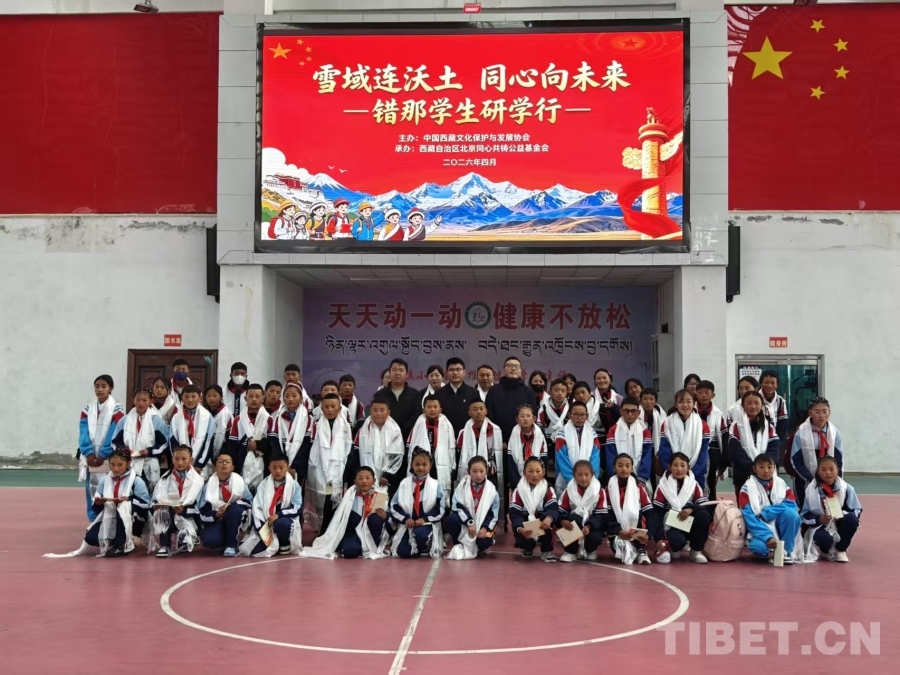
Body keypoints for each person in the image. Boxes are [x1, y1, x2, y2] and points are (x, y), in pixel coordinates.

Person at [47, 447, 151, 558]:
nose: (115, 468)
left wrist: (128, 500)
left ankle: (122, 544)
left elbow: (146, 505)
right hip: (110, 515)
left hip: (134, 518)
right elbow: (96, 509)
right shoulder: (104, 480)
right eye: (112, 464)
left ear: (128, 463)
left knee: (123, 508)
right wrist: (98, 503)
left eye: (120, 465)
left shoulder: (136, 481)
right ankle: (115, 539)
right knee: (91, 538)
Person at [302, 466, 390, 559]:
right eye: (360, 478)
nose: (364, 481)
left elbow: (390, 519)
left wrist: (385, 516)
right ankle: (357, 546)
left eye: (368, 478)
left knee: (374, 519)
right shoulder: (349, 497)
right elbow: (342, 518)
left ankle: (371, 546)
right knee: (349, 551)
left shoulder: (380, 496)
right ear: (355, 481)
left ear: (374, 480)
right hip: (354, 532)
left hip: (372, 534)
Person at [78, 375, 125, 521]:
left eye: (104, 386)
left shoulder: (117, 410)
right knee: (91, 488)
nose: (99, 389)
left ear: (111, 389)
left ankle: (110, 520)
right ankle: (94, 520)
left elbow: (114, 432)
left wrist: (104, 453)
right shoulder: (87, 410)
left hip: (109, 458)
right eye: (97, 386)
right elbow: (84, 432)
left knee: (110, 488)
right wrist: (88, 452)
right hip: (91, 458)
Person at [739, 454, 801, 564]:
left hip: (780, 524)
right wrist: (767, 537)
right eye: (761, 467)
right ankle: (770, 552)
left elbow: (792, 505)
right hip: (759, 528)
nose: (766, 470)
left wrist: (769, 512)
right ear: (754, 469)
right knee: (759, 548)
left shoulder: (781, 484)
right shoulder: (746, 489)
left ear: (774, 467)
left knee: (792, 515)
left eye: (769, 467)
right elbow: (748, 517)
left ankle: (785, 552)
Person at [240, 451, 303, 556]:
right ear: (269, 468)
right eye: (274, 468)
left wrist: (278, 515)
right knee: (254, 550)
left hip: (284, 520)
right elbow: (257, 508)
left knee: (282, 524)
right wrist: (262, 529)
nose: (278, 471)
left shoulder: (294, 485)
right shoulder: (263, 485)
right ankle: (270, 541)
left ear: (288, 468)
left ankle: (284, 543)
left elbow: (297, 508)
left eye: (281, 467)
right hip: (267, 523)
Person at [799, 456, 861, 563]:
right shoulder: (810, 490)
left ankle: (841, 550)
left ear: (837, 470)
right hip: (820, 525)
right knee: (824, 538)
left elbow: (857, 510)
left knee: (851, 519)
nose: (827, 473)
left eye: (831, 469)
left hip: (840, 522)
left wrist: (841, 514)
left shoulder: (847, 488)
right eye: (823, 469)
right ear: (818, 471)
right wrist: (819, 519)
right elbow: (804, 515)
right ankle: (825, 550)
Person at [653, 452, 713, 564]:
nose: (679, 469)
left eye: (682, 465)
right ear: (669, 467)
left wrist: (692, 509)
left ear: (688, 467)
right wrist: (659, 538)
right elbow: (657, 514)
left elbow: (705, 506)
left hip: (689, 521)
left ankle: (696, 551)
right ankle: (673, 546)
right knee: (677, 542)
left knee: (703, 515)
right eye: (675, 465)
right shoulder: (662, 487)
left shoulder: (693, 485)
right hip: (671, 523)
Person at [305, 393, 353, 534]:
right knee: (323, 502)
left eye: (333, 406)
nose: (330, 410)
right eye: (326, 407)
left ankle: (334, 532)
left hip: (339, 470)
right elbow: (310, 449)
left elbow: (348, 450)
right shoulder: (316, 426)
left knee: (335, 503)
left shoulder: (346, 427)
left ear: (339, 408)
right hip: (320, 470)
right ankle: (323, 530)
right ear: (321, 408)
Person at [148, 445, 203, 558]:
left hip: (189, 515)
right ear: (172, 459)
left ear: (191, 460)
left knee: (184, 543)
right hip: (169, 513)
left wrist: (183, 511)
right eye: (176, 459)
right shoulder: (165, 478)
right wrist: (155, 506)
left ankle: (190, 536)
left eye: (184, 459)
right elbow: (155, 498)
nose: (180, 462)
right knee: (163, 511)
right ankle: (164, 545)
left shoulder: (198, 480)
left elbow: (200, 507)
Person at [111, 388, 169, 492]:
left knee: (148, 492)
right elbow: (115, 442)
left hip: (149, 462)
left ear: (151, 401)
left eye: (145, 400)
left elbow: (164, 444)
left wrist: (149, 451)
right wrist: (124, 451)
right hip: (128, 462)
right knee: (129, 492)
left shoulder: (156, 420)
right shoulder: (125, 420)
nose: (141, 403)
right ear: (133, 400)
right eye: (138, 400)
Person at [390, 449, 445, 559]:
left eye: (424, 465)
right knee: (403, 553)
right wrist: (406, 519)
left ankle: (425, 546)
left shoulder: (435, 485)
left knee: (420, 534)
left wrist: (425, 519)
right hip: (408, 524)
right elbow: (394, 506)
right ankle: (414, 546)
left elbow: (441, 508)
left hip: (427, 523)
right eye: (417, 464)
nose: (421, 468)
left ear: (430, 466)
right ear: (412, 465)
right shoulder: (404, 483)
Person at [725, 391, 780, 499]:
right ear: (743, 405)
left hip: (766, 472)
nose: (753, 406)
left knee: (768, 502)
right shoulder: (736, 426)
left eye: (756, 403)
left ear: (762, 405)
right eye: (749, 403)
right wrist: (752, 467)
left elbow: (774, 447)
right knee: (744, 503)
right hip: (743, 471)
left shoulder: (768, 426)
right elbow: (734, 449)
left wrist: (764, 466)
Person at [790, 397, 843, 507]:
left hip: (828, 477)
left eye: (824, 411)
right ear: (810, 413)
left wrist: (835, 478)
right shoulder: (801, 433)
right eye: (817, 412)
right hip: (804, 478)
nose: (821, 415)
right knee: (805, 508)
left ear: (829, 412)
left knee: (830, 509)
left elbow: (838, 459)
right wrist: (811, 479)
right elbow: (796, 460)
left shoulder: (835, 433)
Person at [197, 453, 252, 557]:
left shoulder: (240, 483)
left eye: (227, 462)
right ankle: (224, 539)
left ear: (232, 467)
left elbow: (250, 502)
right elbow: (202, 511)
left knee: (234, 510)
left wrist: (230, 506)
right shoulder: (207, 487)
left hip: (237, 515)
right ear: (214, 467)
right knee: (209, 540)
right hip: (218, 518)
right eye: (221, 462)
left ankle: (232, 545)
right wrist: (216, 514)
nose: (224, 464)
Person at [446, 457, 500, 560]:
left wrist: (485, 528)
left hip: (482, 525)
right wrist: (470, 522)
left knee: (484, 542)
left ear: (486, 471)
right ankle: (459, 543)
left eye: (481, 471)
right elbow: (456, 505)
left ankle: (480, 547)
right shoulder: (462, 486)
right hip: (466, 522)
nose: (478, 475)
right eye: (474, 471)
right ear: (468, 471)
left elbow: (493, 515)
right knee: (452, 518)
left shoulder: (492, 491)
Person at [606, 453, 654, 565]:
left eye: (627, 466)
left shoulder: (638, 488)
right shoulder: (608, 488)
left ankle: (641, 549)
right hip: (618, 531)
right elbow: (606, 516)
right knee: (622, 553)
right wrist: (618, 531)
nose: (624, 469)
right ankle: (620, 544)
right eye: (620, 465)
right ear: (614, 468)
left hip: (636, 528)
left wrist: (649, 534)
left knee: (638, 515)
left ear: (632, 468)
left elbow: (650, 513)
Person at [509, 456, 559, 562]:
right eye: (530, 471)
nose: (534, 475)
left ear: (543, 472)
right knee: (523, 539)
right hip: (525, 523)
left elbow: (553, 508)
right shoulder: (518, 491)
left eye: (538, 471)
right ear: (524, 473)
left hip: (542, 522)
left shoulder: (548, 489)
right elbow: (515, 513)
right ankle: (527, 548)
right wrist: (520, 528)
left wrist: (549, 518)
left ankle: (547, 551)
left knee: (548, 524)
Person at [658, 389, 710, 489]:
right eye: (681, 402)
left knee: (696, 496)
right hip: (673, 473)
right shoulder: (667, 423)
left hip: (696, 473)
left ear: (694, 403)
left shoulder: (702, 425)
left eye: (688, 401)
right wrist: (673, 470)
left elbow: (703, 452)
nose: (685, 405)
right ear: (675, 404)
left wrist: (693, 471)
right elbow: (664, 451)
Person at [408, 395, 456, 503]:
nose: (432, 409)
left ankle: (440, 510)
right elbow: (410, 447)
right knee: (423, 494)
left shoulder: (447, 425)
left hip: (441, 463)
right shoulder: (418, 424)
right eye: (429, 407)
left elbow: (452, 448)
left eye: (435, 407)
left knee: (439, 493)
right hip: (423, 464)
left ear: (440, 409)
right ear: (423, 409)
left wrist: (452, 466)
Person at [350, 395, 404, 490]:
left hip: (387, 478)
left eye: (382, 410)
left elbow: (397, 455)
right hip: (365, 478)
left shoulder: (395, 431)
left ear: (388, 412)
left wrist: (387, 475)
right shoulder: (363, 430)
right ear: (370, 411)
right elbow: (356, 453)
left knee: (383, 498)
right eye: (375, 410)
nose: (378, 413)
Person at [558, 460, 607, 563]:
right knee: (574, 519)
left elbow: (601, 515)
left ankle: (590, 550)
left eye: (586, 474)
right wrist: (563, 520)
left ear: (592, 474)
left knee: (595, 536)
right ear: (574, 475)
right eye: (579, 475)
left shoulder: (599, 491)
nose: (583, 478)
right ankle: (570, 552)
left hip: (592, 525)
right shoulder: (569, 491)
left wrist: (589, 526)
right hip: (574, 523)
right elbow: (561, 511)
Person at [225, 383, 271, 491]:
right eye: (250, 396)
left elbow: (271, 445)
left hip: (262, 463)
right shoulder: (238, 420)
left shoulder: (269, 419)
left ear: (263, 398)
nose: (254, 399)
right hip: (242, 462)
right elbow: (232, 445)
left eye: (257, 396)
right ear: (245, 398)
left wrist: (258, 445)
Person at [554, 401, 601, 498]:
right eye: (576, 414)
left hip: (587, 479)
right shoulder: (562, 434)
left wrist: (590, 478)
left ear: (587, 416)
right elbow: (562, 458)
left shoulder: (592, 434)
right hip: (566, 479)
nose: (579, 418)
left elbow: (595, 457)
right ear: (569, 415)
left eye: (582, 415)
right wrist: (573, 480)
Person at [485, 356, 537, 444]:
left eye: (516, 366)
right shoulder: (493, 391)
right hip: (497, 439)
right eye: (509, 365)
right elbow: (489, 415)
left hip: (522, 440)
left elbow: (532, 415)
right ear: (504, 369)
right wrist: (499, 439)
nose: (513, 369)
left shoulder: (528, 391)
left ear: (521, 371)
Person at [266, 382, 311, 481]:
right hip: (281, 466)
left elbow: (306, 445)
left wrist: (294, 466)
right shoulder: (278, 418)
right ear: (283, 398)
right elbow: (275, 443)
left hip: (300, 465)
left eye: (294, 396)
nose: (290, 399)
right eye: (287, 396)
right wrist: (283, 465)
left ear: (301, 398)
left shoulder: (308, 418)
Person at [169, 384, 215, 476]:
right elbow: (172, 441)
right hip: (181, 464)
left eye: (193, 396)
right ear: (182, 399)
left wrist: (199, 464)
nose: (190, 400)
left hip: (201, 464)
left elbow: (208, 442)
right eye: (186, 397)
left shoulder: (207, 417)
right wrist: (180, 460)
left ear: (200, 398)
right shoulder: (176, 418)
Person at [605, 397, 653, 486]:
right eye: (626, 411)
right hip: (618, 476)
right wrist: (614, 474)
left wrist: (642, 477)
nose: (630, 414)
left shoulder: (644, 431)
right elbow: (610, 455)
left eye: (633, 411)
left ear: (639, 413)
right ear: (621, 412)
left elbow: (647, 456)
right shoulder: (613, 430)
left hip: (640, 476)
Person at [694, 380, 727, 500]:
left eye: (707, 392)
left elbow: (724, 435)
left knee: (711, 479)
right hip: (694, 449)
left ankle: (711, 504)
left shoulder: (718, 413)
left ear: (713, 395)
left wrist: (724, 458)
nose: (704, 395)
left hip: (713, 452)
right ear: (696, 394)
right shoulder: (691, 410)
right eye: (700, 392)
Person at [457, 398, 502, 482]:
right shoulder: (463, 432)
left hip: (491, 472)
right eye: (475, 409)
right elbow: (459, 453)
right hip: (470, 472)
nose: (478, 412)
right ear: (469, 413)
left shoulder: (495, 430)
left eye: (481, 409)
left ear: (486, 411)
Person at [435, 357, 479, 436]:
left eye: (458, 369)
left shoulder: (473, 393)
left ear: (464, 372)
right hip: (444, 435)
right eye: (451, 370)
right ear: (446, 373)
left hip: (467, 435)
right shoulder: (439, 393)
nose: (455, 373)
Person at [507, 404, 548, 489]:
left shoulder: (540, 435)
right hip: (517, 479)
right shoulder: (514, 435)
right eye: (522, 416)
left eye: (528, 416)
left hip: (536, 477)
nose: (525, 419)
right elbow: (511, 462)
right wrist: (517, 483)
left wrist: (537, 477)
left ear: (534, 418)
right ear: (517, 420)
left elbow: (543, 459)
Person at [384, 357, 423, 444]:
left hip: (410, 439)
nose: (397, 373)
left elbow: (416, 415)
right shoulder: (380, 395)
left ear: (407, 375)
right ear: (389, 373)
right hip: (386, 438)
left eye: (401, 370)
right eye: (394, 370)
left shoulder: (415, 394)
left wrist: (403, 430)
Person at [204, 385, 234, 473]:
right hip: (204, 451)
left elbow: (229, 437)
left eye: (214, 395)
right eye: (209, 396)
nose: (211, 399)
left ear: (221, 396)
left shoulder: (227, 414)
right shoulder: (202, 413)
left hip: (222, 451)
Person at [590, 368, 622, 448]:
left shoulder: (618, 398)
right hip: (595, 436)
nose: (602, 380)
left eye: (604, 378)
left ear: (610, 380)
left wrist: (614, 408)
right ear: (595, 381)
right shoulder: (590, 397)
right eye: (598, 378)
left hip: (616, 436)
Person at [760, 370, 789, 443]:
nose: (769, 386)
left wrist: (779, 444)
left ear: (777, 385)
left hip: (774, 441)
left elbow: (783, 425)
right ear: (761, 383)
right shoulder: (755, 399)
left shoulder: (780, 401)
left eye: (773, 383)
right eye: (766, 382)